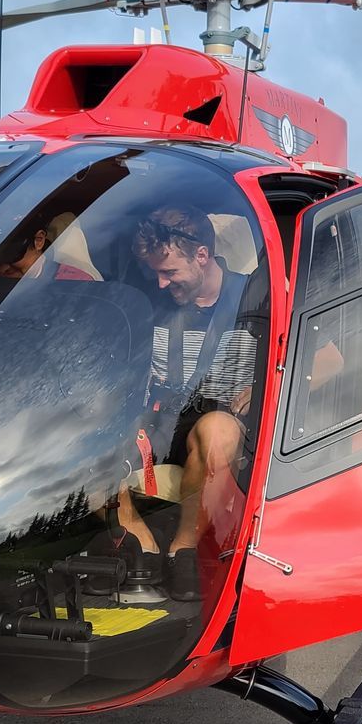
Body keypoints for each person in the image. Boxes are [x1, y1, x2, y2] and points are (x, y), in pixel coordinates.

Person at [107, 203, 264, 603]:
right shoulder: (149, 298)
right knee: (85, 426)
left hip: (221, 418)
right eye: (154, 273)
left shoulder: (255, 295)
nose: (160, 284)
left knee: (214, 432)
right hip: (159, 417)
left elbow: (330, 358)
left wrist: (263, 389)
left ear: (202, 255)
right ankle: (140, 541)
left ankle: (184, 548)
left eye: (169, 272)